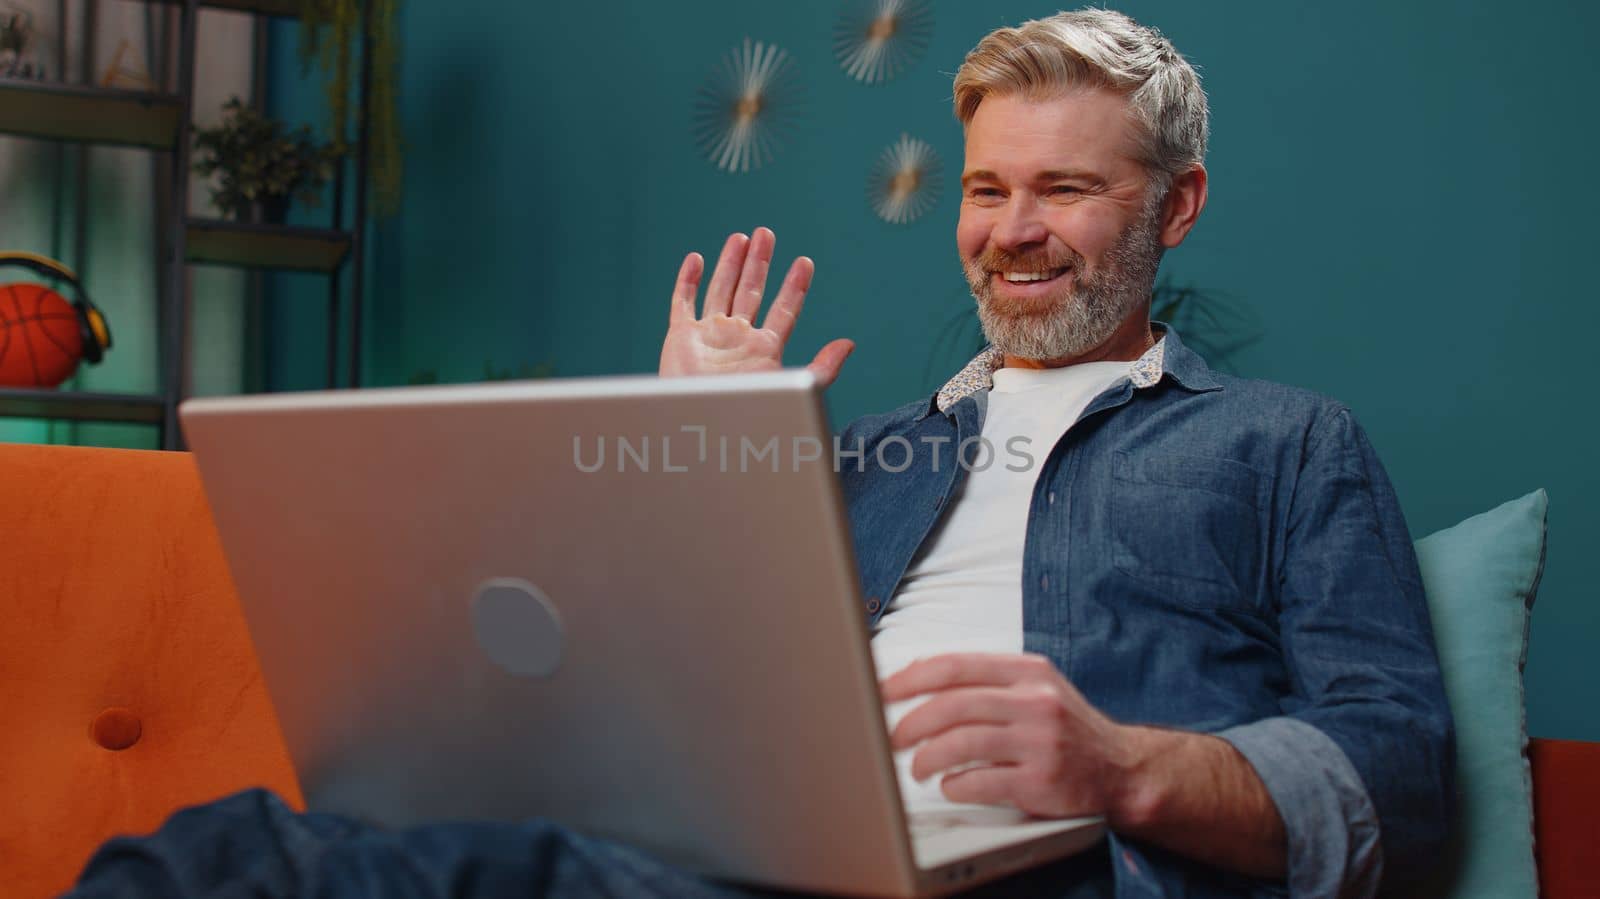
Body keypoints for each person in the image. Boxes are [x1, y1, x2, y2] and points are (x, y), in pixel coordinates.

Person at [68, 9, 1452, 899]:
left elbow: (1394, 770)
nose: (1013, 229)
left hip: (1036, 869)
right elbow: (642, 690)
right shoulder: (868, 453)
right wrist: (691, 443)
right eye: (986, 189)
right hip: (750, 849)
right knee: (234, 854)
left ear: (1178, 205)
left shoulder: (1282, 443)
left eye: (1067, 189)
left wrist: (1123, 768)